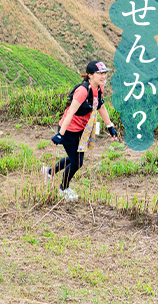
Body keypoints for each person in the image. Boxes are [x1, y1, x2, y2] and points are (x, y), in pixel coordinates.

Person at [43, 61, 120, 201]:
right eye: (100, 73)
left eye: (105, 73)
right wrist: (60, 134)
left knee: (75, 158)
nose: (104, 76)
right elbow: (70, 112)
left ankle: (49, 172)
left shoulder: (99, 89)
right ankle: (63, 188)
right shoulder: (82, 91)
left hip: (82, 130)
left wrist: (110, 127)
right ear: (90, 75)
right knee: (77, 162)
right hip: (69, 130)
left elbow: (101, 107)